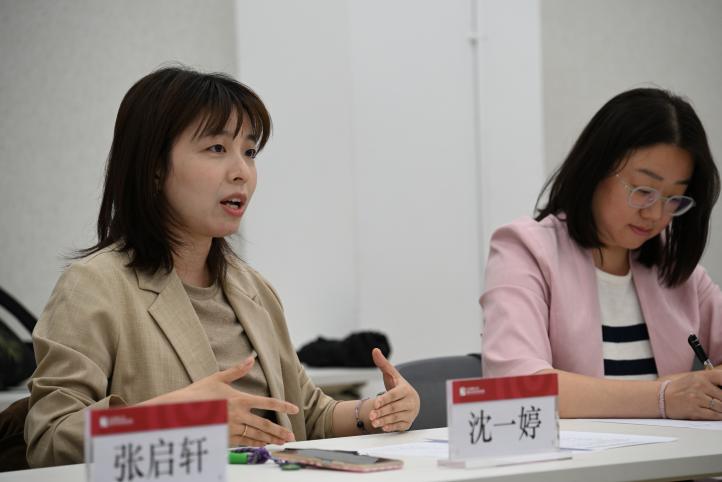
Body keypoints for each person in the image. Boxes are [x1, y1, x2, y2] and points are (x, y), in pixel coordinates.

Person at [24, 66, 420, 467]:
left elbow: (306, 414)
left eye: (249, 152)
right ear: (155, 166)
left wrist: (374, 411)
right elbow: (51, 438)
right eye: (216, 148)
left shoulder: (253, 289)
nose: (241, 172)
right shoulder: (95, 286)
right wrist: (182, 419)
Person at [481, 88, 722, 420]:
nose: (655, 214)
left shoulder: (674, 267)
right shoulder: (526, 249)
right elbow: (517, 386)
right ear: (596, 169)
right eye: (643, 191)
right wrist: (664, 396)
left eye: (673, 199)